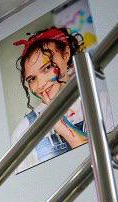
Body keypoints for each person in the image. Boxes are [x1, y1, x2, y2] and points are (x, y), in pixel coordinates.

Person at [9, 26, 88, 170]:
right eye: (32, 79)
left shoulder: (98, 102)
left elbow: (96, 158)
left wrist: (58, 121)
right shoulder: (23, 132)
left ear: (66, 54)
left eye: (46, 68)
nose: (40, 85)